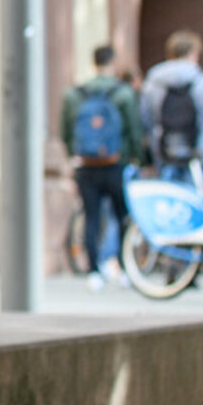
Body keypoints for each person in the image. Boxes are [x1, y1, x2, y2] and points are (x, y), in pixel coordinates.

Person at [59, 44, 141, 291]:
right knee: (121, 216)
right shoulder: (123, 93)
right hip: (116, 163)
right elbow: (134, 130)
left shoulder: (74, 95)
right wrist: (136, 157)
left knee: (91, 217)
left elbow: (65, 132)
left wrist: (74, 155)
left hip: (86, 165)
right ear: (112, 62)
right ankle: (125, 269)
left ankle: (94, 271)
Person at [141, 29, 203, 187]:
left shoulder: (152, 83)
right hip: (199, 155)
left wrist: (147, 158)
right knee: (195, 204)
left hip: (164, 153)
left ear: (170, 53)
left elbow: (144, 121)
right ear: (194, 53)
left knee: (169, 203)